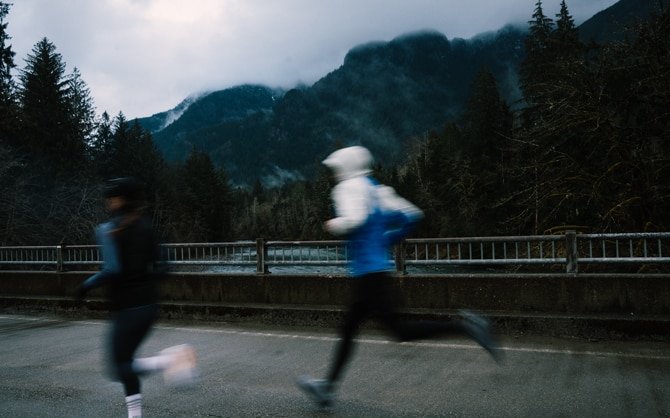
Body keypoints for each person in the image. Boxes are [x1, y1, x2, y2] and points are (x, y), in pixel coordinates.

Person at [297, 146, 502, 407]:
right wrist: (386, 239)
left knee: (396, 330)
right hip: (376, 273)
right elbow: (412, 215)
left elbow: (355, 219)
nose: (334, 175)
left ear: (346, 167)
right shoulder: (377, 190)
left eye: (336, 169)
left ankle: (467, 327)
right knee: (352, 328)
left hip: (368, 276)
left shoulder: (348, 188)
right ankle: (327, 387)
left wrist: (335, 224)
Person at [75, 177, 199, 418]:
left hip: (126, 309)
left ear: (119, 199)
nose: (108, 202)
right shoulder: (146, 227)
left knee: (120, 367)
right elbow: (165, 267)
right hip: (149, 307)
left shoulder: (107, 230)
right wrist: (144, 279)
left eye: (111, 198)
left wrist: (85, 286)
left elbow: (112, 269)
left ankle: (168, 361)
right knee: (127, 365)